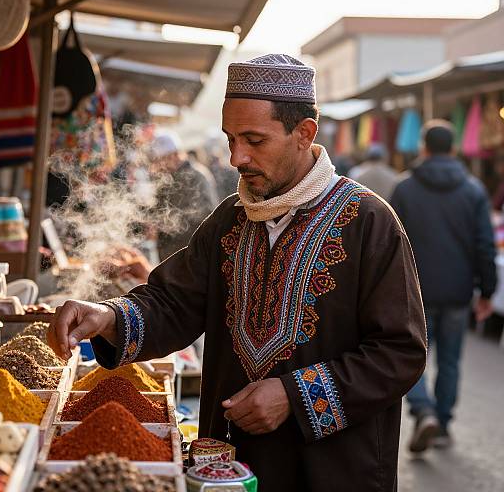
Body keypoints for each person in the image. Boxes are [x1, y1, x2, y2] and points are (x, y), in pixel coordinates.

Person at [49, 54, 426, 492]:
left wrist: (294, 395)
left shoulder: (369, 221)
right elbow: (175, 301)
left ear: (304, 133)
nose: (236, 157)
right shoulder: (231, 217)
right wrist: (108, 316)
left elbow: (400, 352)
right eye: (230, 138)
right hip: (229, 466)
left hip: (333, 469)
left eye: (254, 139)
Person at [390, 120, 497, 453]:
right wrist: (488, 290)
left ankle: (424, 412)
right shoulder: (474, 190)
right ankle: (443, 424)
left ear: (424, 147)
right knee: (450, 361)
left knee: (411, 358)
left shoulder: (404, 189)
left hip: (414, 291)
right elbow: (485, 244)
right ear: (452, 149)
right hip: (458, 290)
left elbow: (389, 245)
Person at [149, 130, 219, 260]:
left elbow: (207, 217)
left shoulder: (197, 176)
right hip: (170, 256)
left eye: (160, 160)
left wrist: (166, 223)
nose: (157, 165)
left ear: (174, 155)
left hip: (190, 257)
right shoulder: (166, 179)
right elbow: (158, 209)